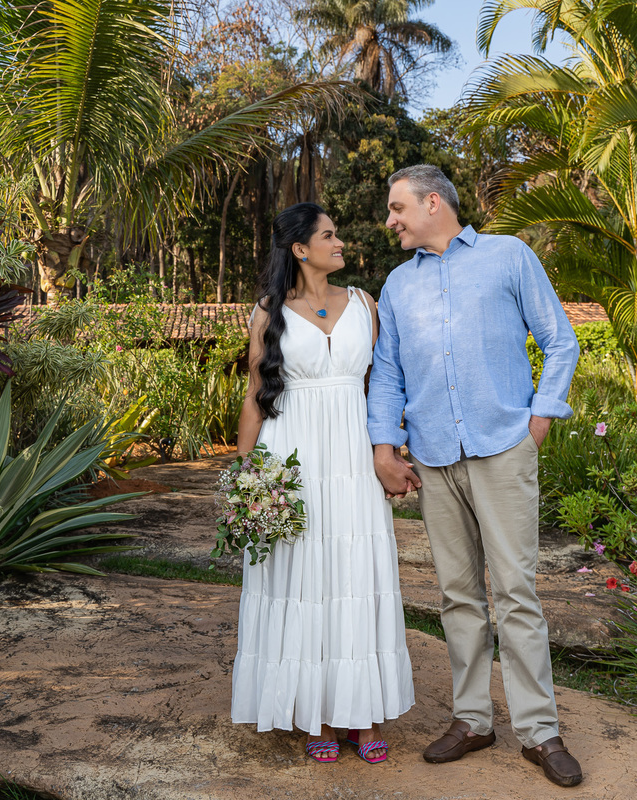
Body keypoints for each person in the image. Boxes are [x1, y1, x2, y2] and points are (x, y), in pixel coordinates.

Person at [366, 165, 583, 787]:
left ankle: (539, 732)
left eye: (397, 207)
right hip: (434, 457)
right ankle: (472, 720)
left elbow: (559, 339)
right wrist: (386, 445)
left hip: (502, 447)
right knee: (457, 596)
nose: (391, 220)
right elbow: (387, 374)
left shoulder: (507, 256)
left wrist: (539, 418)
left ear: (433, 203)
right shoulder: (398, 285)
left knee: (516, 593)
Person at [231, 202, 415, 766]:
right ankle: (320, 716)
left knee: (358, 575)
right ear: (301, 249)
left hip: (353, 459)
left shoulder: (365, 303)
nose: (341, 243)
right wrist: (249, 476)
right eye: (329, 235)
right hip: (292, 456)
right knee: (305, 580)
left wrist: (394, 446)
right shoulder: (268, 312)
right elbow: (254, 396)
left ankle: (367, 713)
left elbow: (387, 381)